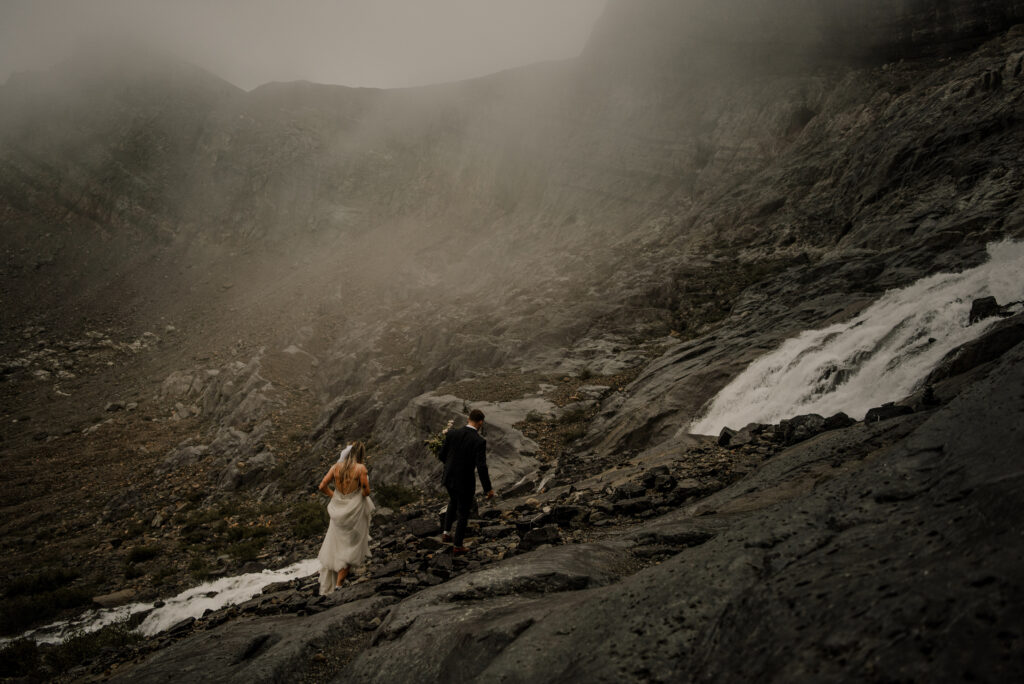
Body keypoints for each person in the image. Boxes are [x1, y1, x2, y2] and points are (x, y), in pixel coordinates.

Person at [316, 441, 375, 595]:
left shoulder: (335, 467)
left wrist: (336, 497)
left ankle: (334, 582)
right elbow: (366, 491)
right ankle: (339, 585)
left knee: (337, 544)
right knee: (351, 545)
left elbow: (322, 486)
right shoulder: (361, 468)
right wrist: (357, 497)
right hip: (353, 510)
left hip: (337, 509)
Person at [438, 408, 495, 554]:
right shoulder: (479, 441)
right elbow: (481, 467)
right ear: (480, 422)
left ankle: (446, 533)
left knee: (453, 501)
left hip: (449, 477)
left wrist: (451, 465)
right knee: (463, 511)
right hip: (464, 480)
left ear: (468, 419)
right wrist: (488, 488)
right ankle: (458, 546)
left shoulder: (452, 433)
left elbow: (442, 455)